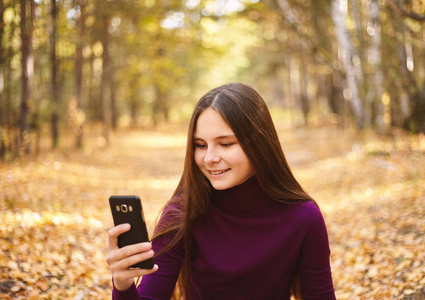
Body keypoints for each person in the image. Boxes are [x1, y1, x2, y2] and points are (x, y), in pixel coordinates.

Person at [106, 83, 336, 300]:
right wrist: (123, 285)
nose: (209, 158)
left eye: (225, 144)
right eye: (200, 145)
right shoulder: (181, 213)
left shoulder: (304, 218)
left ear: (259, 143)